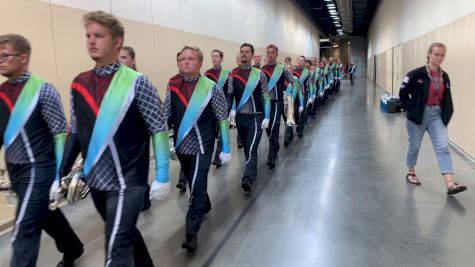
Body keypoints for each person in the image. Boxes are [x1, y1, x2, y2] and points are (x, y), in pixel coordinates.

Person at [60, 11, 170, 266]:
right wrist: (60, 173)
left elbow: (159, 128)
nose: (91, 41)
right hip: (96, 179)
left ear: (117, 41)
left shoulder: (137, 82)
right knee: (125, 234)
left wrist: (163, 176)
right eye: (88, 35)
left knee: (116, 249)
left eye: (99, 35)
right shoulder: (79, 83)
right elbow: (76, 131)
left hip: (128, 181)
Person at [0, 33, 84, 267]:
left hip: (39, 168)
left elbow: (60, 133)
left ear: (23, 57)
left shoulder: (42, 89)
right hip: (15, 168)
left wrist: (58, 175)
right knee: (45, 215)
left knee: (24, 229)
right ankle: (73, 248)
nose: (0, 60)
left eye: (5, 55)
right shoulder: (1, 92)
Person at [165, 46, 231, 254]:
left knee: (198, 182)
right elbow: (166, 114)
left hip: (203, 145)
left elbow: (222, 118)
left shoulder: (211, 87)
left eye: (191, 58)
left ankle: (191, 234)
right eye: (183, 58)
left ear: (201, 63)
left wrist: (226, 148)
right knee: (196, 184)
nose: (186, 62)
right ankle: (205, 202)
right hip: (181, 145)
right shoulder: (173, 84)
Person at [399, 42, 467, 195]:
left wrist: (447, 113)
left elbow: (446, 97)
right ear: (429, 54)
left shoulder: (445, 76)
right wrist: (410, 108)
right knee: (415, 145)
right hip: (418, 115)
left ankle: (450, 183)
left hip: (436, 114)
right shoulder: (416, 74)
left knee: (443, 146)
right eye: (436, 54)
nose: (439, 58)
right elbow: (403, 93)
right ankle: (411, 171)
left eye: (442, 55)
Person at [227, 43, 270, 193]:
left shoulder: (259, 74)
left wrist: (267, 116)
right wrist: (228, 112)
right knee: (247, 148)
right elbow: (230, 95)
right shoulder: (233, 74)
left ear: (252, 55)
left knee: (252, 147)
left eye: (247, 52)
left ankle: (247, 178)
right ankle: (252, 170)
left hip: (256, 117)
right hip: (240, 118)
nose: (244, 54)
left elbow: (266, 96)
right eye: (242, 52)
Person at [260, 44, 299, 168]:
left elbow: (294, 82)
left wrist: (291, 96)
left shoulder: (282, 69)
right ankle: (275, 145)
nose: (270, 54)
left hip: (277, 102)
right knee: (268, 127)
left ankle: (272, 156)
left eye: (272, 52)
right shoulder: (262, 70)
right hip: (265, 103)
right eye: (268, 52)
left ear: (277, 54)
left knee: (275, 125)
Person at [204, 49, 230, 168]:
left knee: (221, 134)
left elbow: (230, 92)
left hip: (222, 108)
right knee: (211, 135)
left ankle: (218, 157)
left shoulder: (227, 73)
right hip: (210, 110)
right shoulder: (207, 73)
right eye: (212, 56)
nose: (214, 58)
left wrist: (229, 108)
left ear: (221, 58)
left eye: (216, 56)